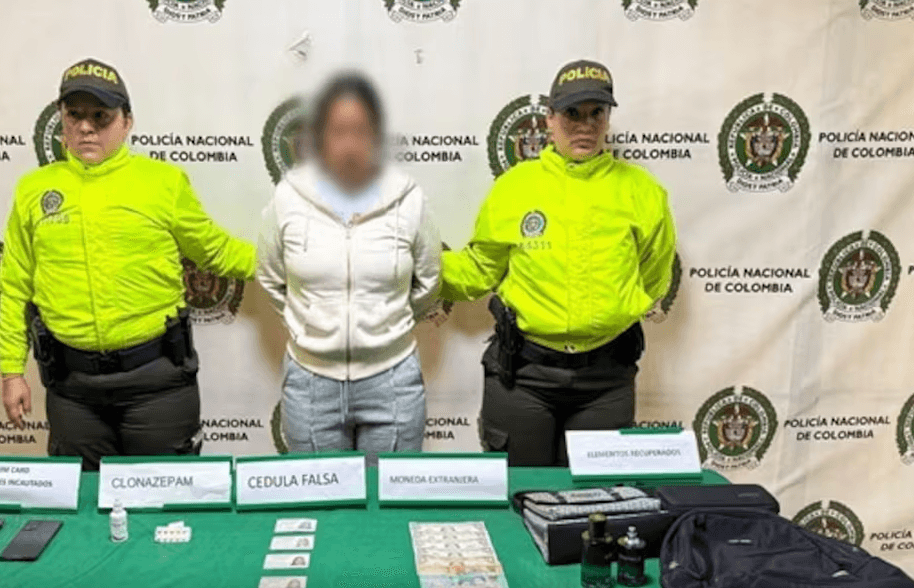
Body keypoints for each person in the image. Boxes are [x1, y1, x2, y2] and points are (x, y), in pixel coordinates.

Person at [0, 58, 256, 470]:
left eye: (101, 116)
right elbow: (15, 286)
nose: (86, 127)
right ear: (61, 120)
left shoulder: (163, 183)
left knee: (166, 501)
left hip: (157, 384)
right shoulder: (33, 190)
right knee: (85, 505)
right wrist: (12, 371)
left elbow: (215, 251)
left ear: (127, 122)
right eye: (75, 115)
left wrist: (293, 263)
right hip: (72, 390)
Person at [441, 60, 676, 467]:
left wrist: (610, 312)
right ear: (549, 119)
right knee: (520, 493)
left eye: (596, 113)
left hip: (606, 380)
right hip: (524, 378)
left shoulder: (642, 191)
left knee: (594, 497)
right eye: (572, 113)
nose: (585, 126)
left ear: (608, 119)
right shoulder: (515, 188)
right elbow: (479, 270)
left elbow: (654, 276)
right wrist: (414, 264)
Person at [257, 73, 442, 465]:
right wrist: (310, 327)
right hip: (310, 382)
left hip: (392, 379)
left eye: (360, 131)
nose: (349, 143)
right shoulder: (288, 197)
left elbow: (428, 279)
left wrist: (384, 327)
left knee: (388, 497)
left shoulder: (409, 198)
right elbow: (270, 277)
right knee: (320, 498)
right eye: (338, 131)